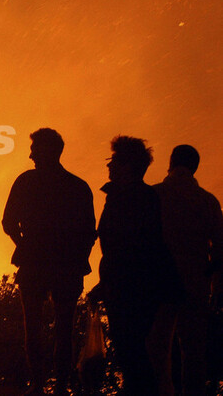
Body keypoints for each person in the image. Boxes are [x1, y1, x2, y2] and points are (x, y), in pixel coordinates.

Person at [2, 128, 96, 396]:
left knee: (33, 327)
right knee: (65, 328)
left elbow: (8, 222)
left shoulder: (26, 182)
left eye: (34, 149)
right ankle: (61, 386)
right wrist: (79, 257)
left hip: (35, 264)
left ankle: (38, 385)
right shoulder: (78, 187)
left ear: (47, 151)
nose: (30, 155)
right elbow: (89, 232)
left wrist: (23, 244)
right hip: (67, 266)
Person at [88, 136, 183, 395]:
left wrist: (108, 283)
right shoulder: (138, 196)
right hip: (134, 287)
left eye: (113, 160)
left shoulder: (131, 198)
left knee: (135, 354)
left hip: (134, 290)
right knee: (138, 354)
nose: (108, 165)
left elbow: (128, 249)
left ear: (127, 166)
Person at [150, 145, 223, 396]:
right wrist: (216, 284)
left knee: (158, 349)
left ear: (171, 162)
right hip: (196, 282)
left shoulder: (154, 195)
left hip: (159, 282)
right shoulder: (208, 201)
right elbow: (220, 248)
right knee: (194, 352)